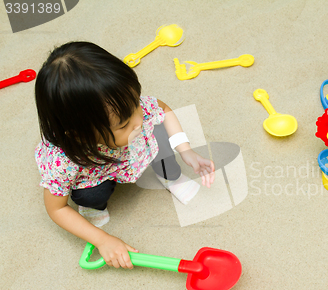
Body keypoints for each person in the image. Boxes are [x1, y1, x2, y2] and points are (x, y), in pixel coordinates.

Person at [34, 42, 215, 269]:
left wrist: (185, 149)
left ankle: (170, 176)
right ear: (81, 136)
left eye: (136, 104)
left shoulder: (130, 111)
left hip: (133, 153)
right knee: (92, 195)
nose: (139, 120)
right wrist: (102, 239)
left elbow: (164, 109)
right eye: (124, 124)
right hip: (95, 173)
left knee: (158, 133)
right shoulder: (64, 161)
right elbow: (56, 208)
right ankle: (94, 206)